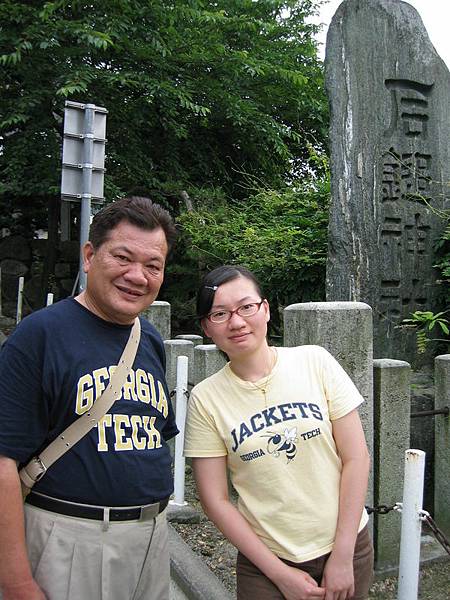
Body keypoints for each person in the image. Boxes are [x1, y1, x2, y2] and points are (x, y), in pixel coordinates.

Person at [0, 196, 179, 600]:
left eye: (153, 266)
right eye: (123, 257)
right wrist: (14, 581)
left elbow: (156, 433)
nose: (138, 276)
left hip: (151, 539)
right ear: (89, 256)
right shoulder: (39, 336)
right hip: (71, 540)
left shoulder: (148, 338)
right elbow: (2, 461)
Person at [184, 265, 374, 600]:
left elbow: (356, 457)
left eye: (246, 307)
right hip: (266, 563)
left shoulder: (316, 362)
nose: (237, 321)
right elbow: (215, 500)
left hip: (347, 547)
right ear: (206, 328)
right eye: (220, 313)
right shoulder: (205, 398)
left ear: (266, 309)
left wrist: (343, 555)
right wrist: (279, 574)